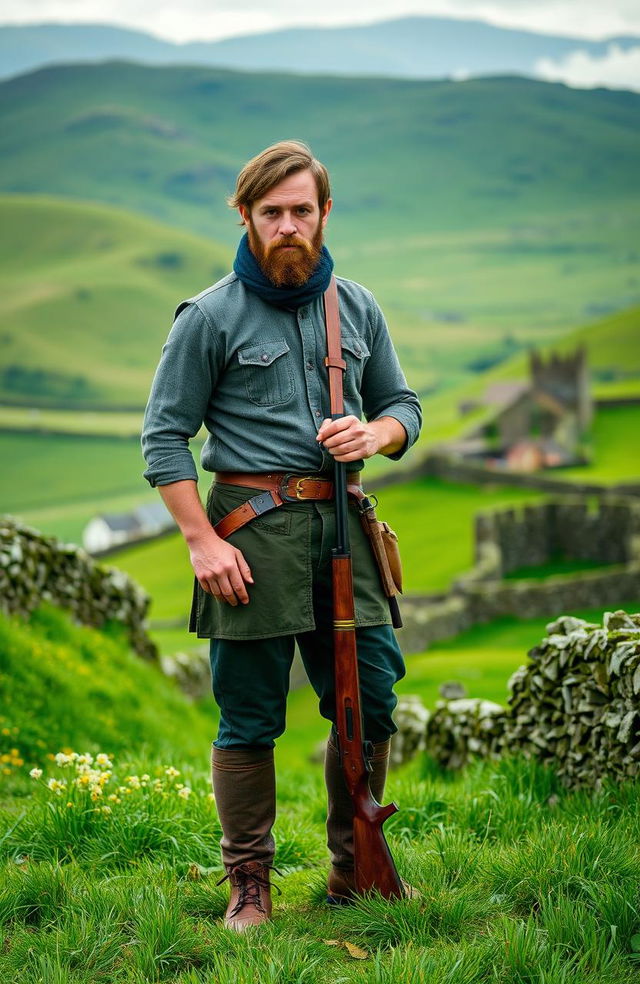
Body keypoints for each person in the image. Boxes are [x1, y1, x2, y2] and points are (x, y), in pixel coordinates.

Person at [141, 140, 422, 931]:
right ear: (247, 217)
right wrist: (202, 541)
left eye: (303, 210)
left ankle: (353, 870)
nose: (290, 226)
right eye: (273, 213)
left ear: (325, 213)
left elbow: (404, 404)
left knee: (369, 703)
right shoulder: (208, 316)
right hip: (248, 541)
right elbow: (164, 440)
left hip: (346, 532)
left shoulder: (360, 307)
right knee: (250, 715)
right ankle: (249, 886)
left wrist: (378, 436)